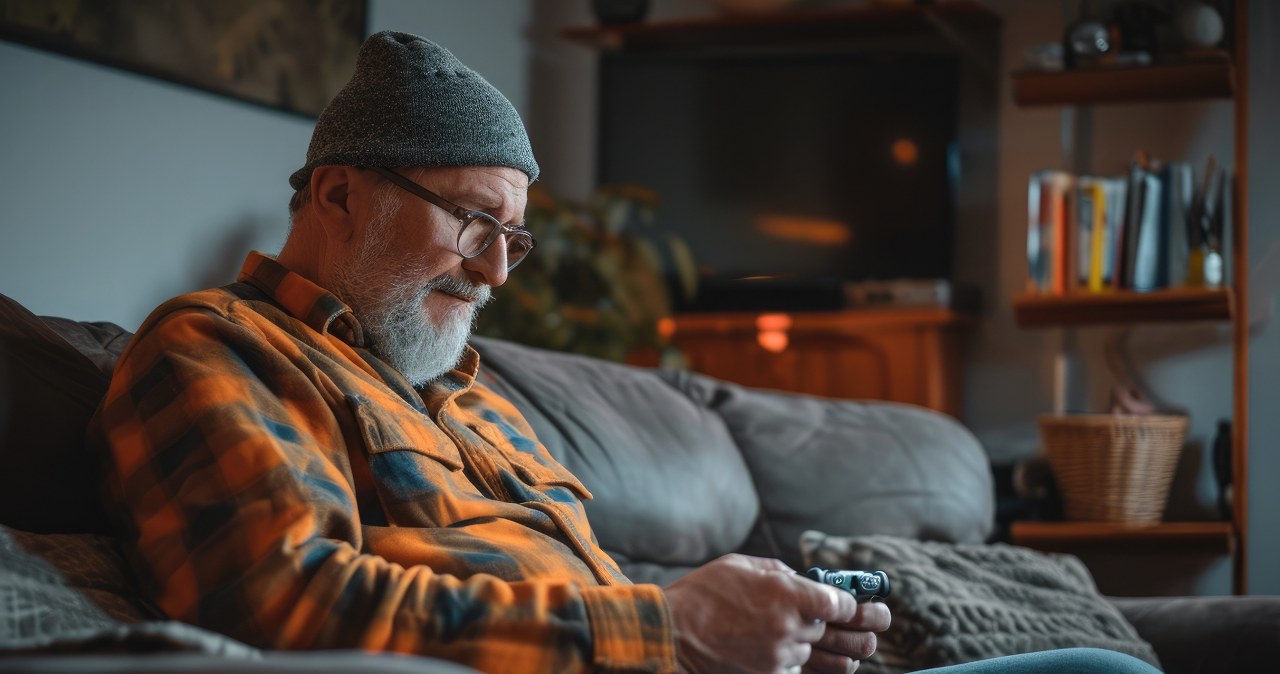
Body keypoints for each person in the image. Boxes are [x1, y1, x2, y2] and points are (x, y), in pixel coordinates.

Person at [94, 30, 1160, 674]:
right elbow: (289, 608)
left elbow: (609, 601)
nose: (497, 271)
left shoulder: (466, 392)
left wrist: (758, 644)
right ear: (337, 194)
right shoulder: (214, 350)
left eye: (514, 236)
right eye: (472, 223)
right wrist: (672, 630)